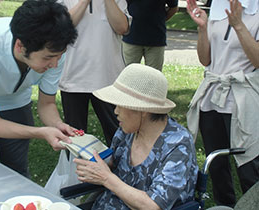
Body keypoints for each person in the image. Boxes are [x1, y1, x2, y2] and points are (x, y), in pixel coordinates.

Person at [0, 0, 78, 177]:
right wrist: (41, 132)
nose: (55, 64)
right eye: (48, 58)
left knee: (16, 170)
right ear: (20, 46)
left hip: (16, 96)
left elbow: (47, 104)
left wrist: (57, 125)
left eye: (59, 56)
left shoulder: (54, 49)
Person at [74, 63, 198, 210]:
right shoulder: (126, 131)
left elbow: (154, 205)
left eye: (120, 104)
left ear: (143, 109)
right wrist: (93, 164)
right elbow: (114, 166)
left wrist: (106, 178)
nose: (115, 111)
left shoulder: (178, 145)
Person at [187, 0, 259, 207]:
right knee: (216, 166)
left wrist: (238, 25)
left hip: (243, 100)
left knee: (248, 167)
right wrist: (203, 28)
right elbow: (205, 59)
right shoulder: (218, 6)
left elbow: (257, 60)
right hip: (212, 99)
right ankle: (224, 206)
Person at [57, 0, 131, 147]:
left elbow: (122, 27)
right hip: (73, 78)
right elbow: (61, 27)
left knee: (118, 133)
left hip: (108, 78)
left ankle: (118, 169)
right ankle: (76, 169)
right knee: (74, 138)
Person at [122, 0, 178, 71]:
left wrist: (160, 20)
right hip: (131, 37)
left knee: (154, 77)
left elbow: (173, 8)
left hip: (156, 39)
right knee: (128, 75)